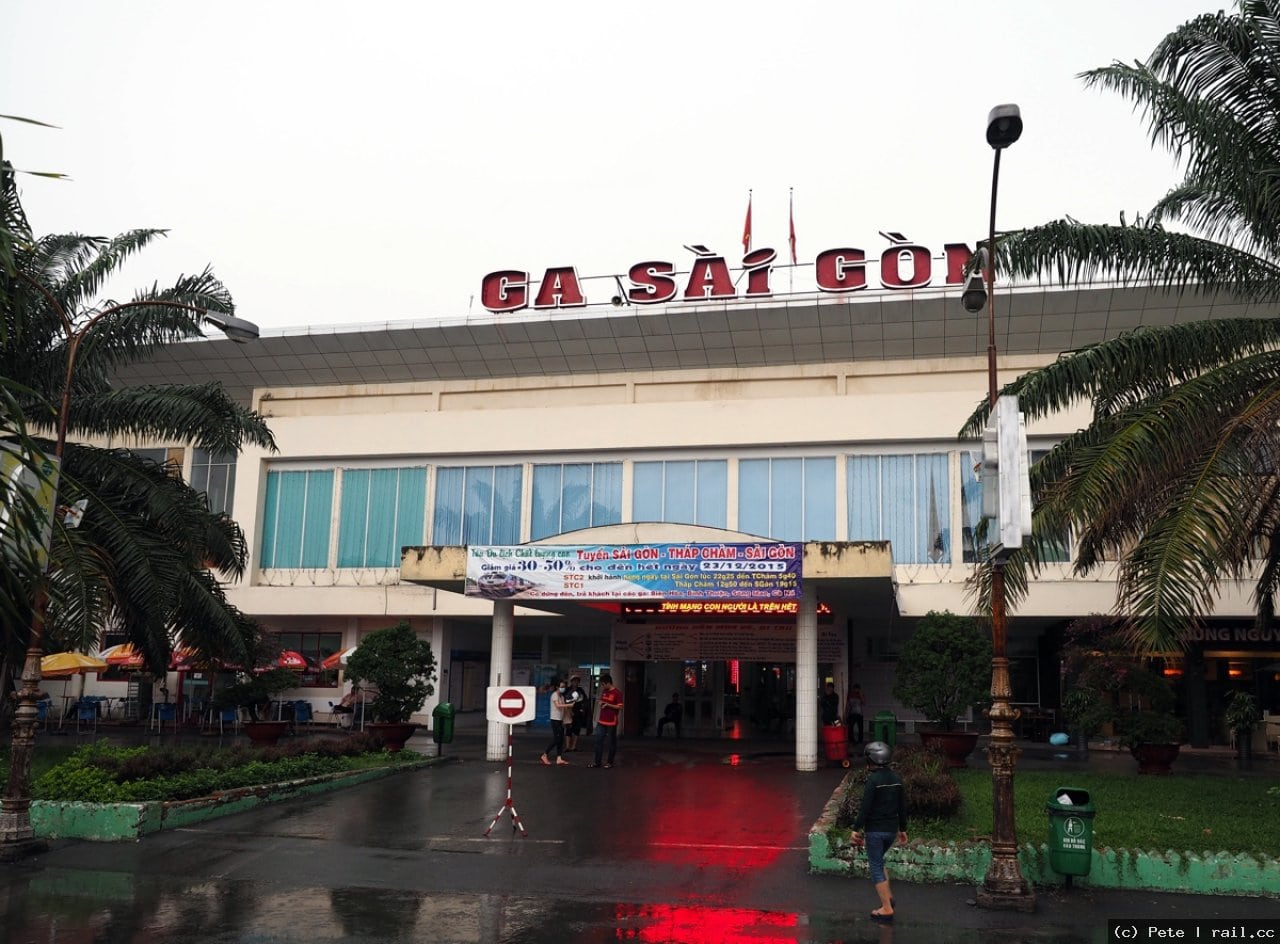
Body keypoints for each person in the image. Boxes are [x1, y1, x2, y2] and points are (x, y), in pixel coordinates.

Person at [850, 740, 907, 922]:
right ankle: (888, 896)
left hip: (875, 830)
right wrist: (903, 829)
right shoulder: (896, 780)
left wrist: (855, 829)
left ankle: (886, 908)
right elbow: (902, 807)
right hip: (890, 831)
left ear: (872, 760)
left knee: (875, 867)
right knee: (880, 861)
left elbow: (865, 809)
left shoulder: (873, 781)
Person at [589, 673, 624, 768]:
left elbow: (620, 707)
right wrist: (601, 703)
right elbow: (601, 700)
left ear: (608, 683)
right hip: (602, 720)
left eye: (603, 684)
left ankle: (609, 762)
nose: (603, 686)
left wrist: (608, 705)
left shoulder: (617, 693)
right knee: (598, 741)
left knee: (611, 742)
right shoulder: (604, 691)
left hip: (612, 721)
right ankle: (597, 762)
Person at [541, 678, 572, 766]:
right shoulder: (554, 695)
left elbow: (563, 708)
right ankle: (545, 754)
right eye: (561, 686)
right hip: (555, 720)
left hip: (560, 720)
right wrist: (568, 705)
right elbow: (558, 706)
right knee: (557, 738)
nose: (563, 688)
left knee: (561, 739)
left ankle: (559, 758)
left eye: (564, 686)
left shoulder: (562, 696)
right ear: (557, 687)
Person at [565, 675, 588, 751]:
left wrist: (582, 709)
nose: (575, 682)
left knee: (577, 729)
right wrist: (569, 711)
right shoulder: (567, 690)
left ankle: (573, 746)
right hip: (569, 711)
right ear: (571, 682)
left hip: (578, 712)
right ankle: (567, 746)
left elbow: (584, 700)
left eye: (577, 681)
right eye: (574, 681)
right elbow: (564, 700)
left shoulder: (580, 690)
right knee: (568, 729)